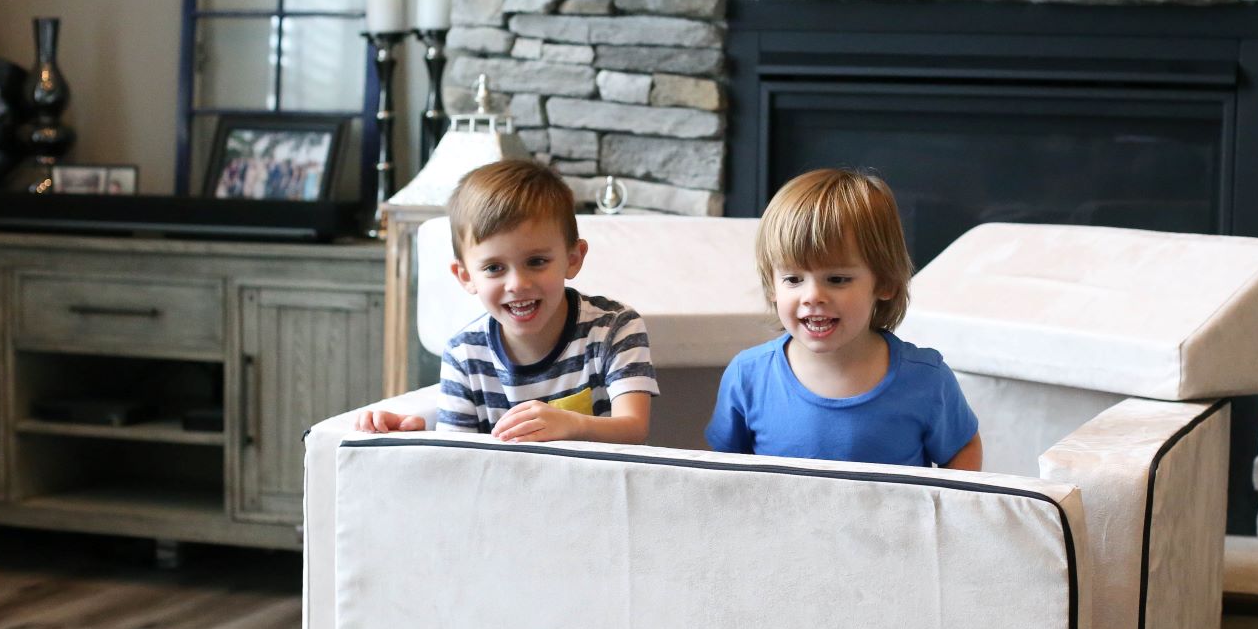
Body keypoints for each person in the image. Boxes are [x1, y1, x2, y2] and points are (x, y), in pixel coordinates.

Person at [356, 159, 657, 443]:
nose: (517, 284)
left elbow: (634, 429)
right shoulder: (464, 354)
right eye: (494, 268)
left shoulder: (615, 328)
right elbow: (460, 460)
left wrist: (571, 424)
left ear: (573, 258)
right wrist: (421, 439)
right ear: (465, 276)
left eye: (537, 261)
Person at [705, 168, 982, 470]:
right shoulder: (748, 376)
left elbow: (963, 447)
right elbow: (723, 469)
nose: (812, 296)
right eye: (793, 279)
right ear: (772, 286)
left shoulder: (926, 379)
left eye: (837, 279)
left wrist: (950, 513)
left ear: (885, 283)